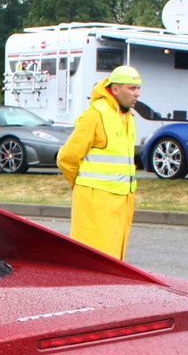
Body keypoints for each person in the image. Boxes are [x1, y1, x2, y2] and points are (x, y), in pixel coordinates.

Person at [56, 65, 141, 259]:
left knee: (112, 263)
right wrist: (81, 185)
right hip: (96, 205)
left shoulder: (126, 117)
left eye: (138, 88)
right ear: (115, 89)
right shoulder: (96, 115)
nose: (137, 94)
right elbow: (66, 158)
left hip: (119, 203)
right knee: (94, 261)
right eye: (132, 88)